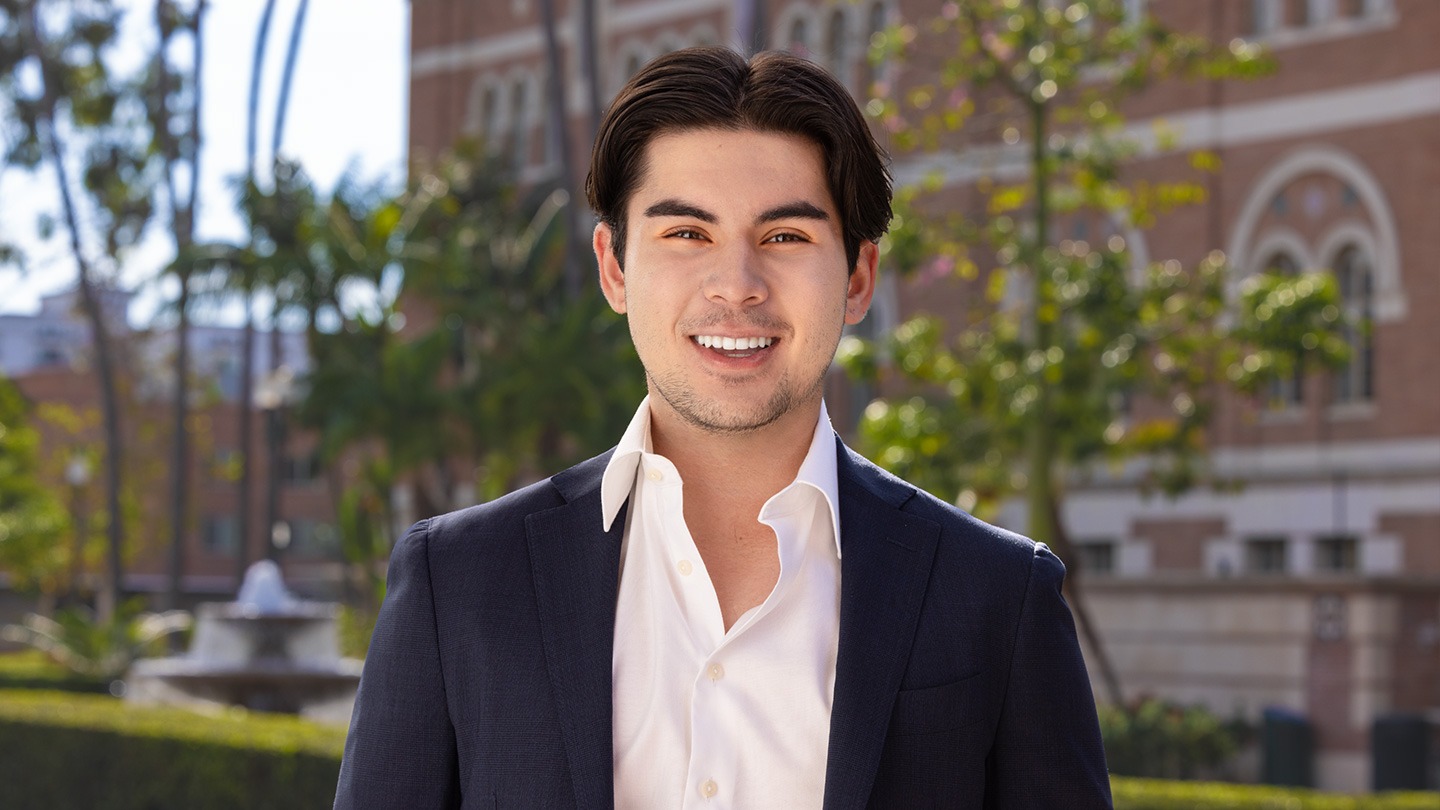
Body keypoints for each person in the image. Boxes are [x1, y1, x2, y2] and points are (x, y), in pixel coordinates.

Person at [334, 46, 1112, 809]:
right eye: (686, 234)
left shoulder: (999, 596)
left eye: (784, 237)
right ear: (614, 268)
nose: (736, 285)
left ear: (858, 278)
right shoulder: (458, 581)